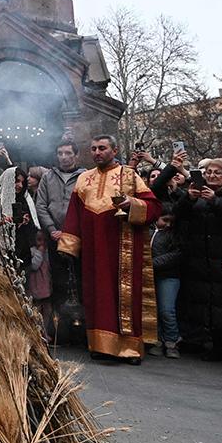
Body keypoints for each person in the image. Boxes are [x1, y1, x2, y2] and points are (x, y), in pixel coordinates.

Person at [58, 135, 161, 362]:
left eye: (102, 148)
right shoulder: (83, 179)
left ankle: (129, 348)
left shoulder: (130, 176)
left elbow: (154, 207)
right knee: (95, 295)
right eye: (93, 148)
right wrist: (68, 246)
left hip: (122, 249)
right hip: (92, 251)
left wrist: (131, 204)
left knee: (124, 294)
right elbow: (73, 214)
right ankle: (100, 345)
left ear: (114, 150)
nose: (97, 152)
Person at [175, 157, 222, 362]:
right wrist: (188, 198)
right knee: (206, 301)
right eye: (208, 173)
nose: (211, 176)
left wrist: (215, 201)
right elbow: (178, 215)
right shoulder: (197, 192)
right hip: (200, 256)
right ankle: (215, 346)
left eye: (217, 173)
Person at [35, 140, 86, 337]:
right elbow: (42, 205)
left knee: (80, 282)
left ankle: (82, 331)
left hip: (77, 238)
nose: (64, 157)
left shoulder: (85, 177)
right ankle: (60, 331)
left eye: (67, 153)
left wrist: (74, 231)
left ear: (76, 155)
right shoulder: (48, 177)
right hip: (54, 237)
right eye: (60, 153)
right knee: (58, 283)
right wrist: (51, 229)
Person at [150, 212, 182, 358]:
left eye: (171, 221)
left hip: (168, 275)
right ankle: (156, 340)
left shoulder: (173, 235)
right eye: (165, 220)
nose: (168, 224)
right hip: (149, 274)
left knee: (166, 310)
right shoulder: (148, 230)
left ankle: (171, 341)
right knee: (152, 309)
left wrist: (151, 263)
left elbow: (176, 254)